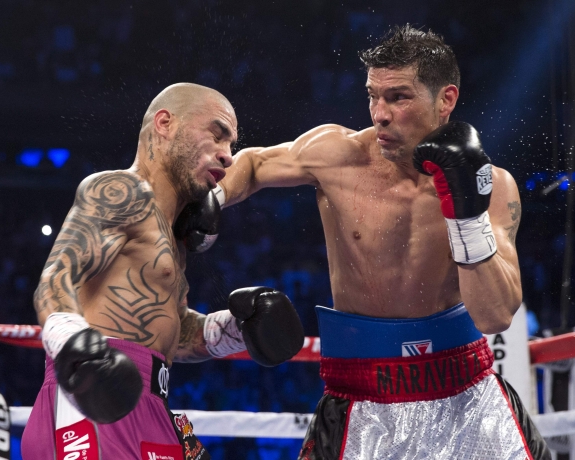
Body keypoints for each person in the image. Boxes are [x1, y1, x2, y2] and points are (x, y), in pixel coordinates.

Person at [217, 26, 550, 459]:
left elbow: (495, 315)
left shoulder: (494, 186)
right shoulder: (339, 155)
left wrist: (466, 216)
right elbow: (253, 163)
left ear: (446, 99)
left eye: (398, 97)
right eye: (373, 96)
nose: (380, 114)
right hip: (360, 394)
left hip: (466, 393)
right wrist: (212, 199)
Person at [21, 83, 304, 460]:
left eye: (232, 144)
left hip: (152, 404)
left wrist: (235, 330)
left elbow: (166, 331)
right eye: (217, 134)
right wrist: (77, 347)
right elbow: (56, 280)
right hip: (93, 402)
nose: (227, 155)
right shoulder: (121, 190)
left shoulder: (175, 234)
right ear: (165, 123)